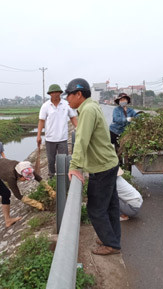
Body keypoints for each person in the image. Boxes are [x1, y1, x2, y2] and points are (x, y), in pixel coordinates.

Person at [65, 78, 121, 256]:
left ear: (79, 94)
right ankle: (112, 238)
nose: (68, 99)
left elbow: (81, 140)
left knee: (95, 209)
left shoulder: (87, 110)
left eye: (69, 95)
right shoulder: (91, 106)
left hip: (101, 167)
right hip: (109, 163)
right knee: (111, 205)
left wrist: (74, 166)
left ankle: (111, 244)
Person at [0, 159, 55, 245]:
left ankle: (8, 220)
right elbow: (18, 195)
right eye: (25, 179)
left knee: (6, 193)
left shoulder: (24, 168)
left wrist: (50, 190)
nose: (27, 180)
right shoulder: (10, 176)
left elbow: (38, 178)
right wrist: (38, 204)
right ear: (20, 176)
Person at [37, 83, 78, 178]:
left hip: (62, 138)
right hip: (50, 139)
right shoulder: (45, 106)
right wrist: (38, 136)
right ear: (50, 94)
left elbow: (73, 117)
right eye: (53, 93)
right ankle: (51, 176)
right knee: (51, 160)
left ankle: (65, 176)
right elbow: (41, 121)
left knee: (64, 159)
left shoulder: (66, 104)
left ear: (60, 93)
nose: (55, 94)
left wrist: (78, 129)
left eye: (57, 92)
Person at [109, 93, 139, 157]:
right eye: (121, 100)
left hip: (124, 132)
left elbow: (137, 116)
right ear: (119, 101)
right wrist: (127, 119)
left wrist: (140, 118)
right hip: (114, 132)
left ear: (127, 100)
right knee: (117, 149)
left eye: (124, 99)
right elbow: (116, 119)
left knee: (125, 148)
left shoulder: (131, 110)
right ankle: (118, 163)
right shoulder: (116, 110)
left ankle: (125, 162)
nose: (123, 101)